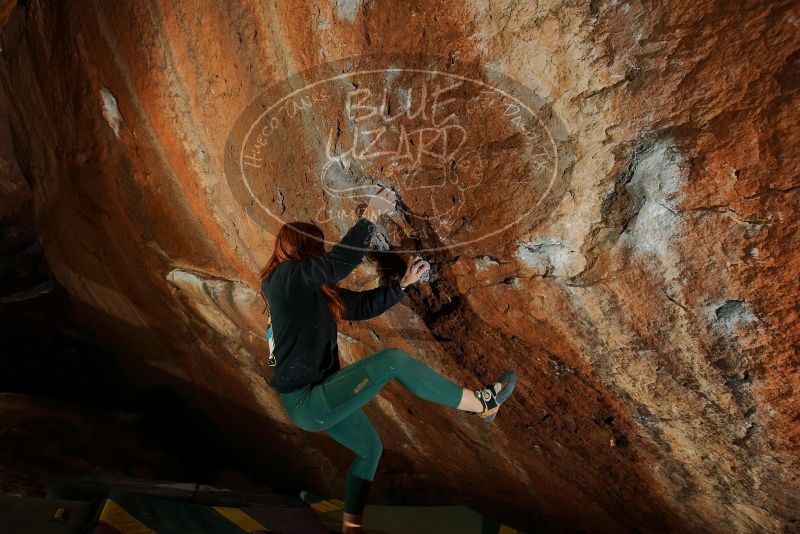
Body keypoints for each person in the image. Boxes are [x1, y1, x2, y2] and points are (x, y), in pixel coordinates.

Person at [259, 187, 517, 533]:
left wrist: (404, 284)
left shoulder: (311, 292)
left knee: (369, 449)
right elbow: (335, 265)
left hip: (317, 398)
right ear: (300, 248)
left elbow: (360, 306)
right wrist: (371, 214)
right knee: (393, 360)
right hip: (307, 400)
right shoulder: (282, 279)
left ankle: (352, 528)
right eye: (315, 248)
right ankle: (481, 404)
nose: (318, 255)